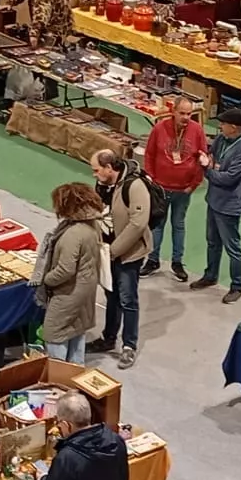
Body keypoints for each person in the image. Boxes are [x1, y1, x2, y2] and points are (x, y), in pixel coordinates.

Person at [89, 148, 152, 368]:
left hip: (128, 254)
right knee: (111, 295)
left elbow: (138, 223)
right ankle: (108, 338)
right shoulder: (103, 184)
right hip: (107, 251)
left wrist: (114, 250)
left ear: (109, 168)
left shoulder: (134, 186)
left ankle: (129, 346)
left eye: (97, 170)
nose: (94, 174)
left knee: (128, 299)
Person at [35, 181, 104, 362]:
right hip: (86, 286)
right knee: (76, 328)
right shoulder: (92, 225)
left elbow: (65, 270)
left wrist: (46, 279)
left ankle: (58, 374)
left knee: (54, 332)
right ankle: (75, 369)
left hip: (69, 292)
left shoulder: (73, 234)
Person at [192, 107, 241, 304]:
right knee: (212, 242)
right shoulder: (222, 139)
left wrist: (207, 170)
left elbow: (228, 179)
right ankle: (210, 275)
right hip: (214, 200)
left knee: (232, 247)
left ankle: (237, 285)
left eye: (224, 124)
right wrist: (208, 161)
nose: (220, 127)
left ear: (234, 127)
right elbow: (212, 154)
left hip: (229, 205)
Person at [140, 93, 205, 281]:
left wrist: (194, 184)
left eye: (189, 114)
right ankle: (153, 260)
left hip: (183, 190)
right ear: (173, 112)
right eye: (182, 113)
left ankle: (177, 262)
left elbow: (203, 158)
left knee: (179, 225)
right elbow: (150, 154)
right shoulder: (160, 129)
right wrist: (151, 178)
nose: (186, 117)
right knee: (157, 226)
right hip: (160, 188)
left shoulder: (197, 130)